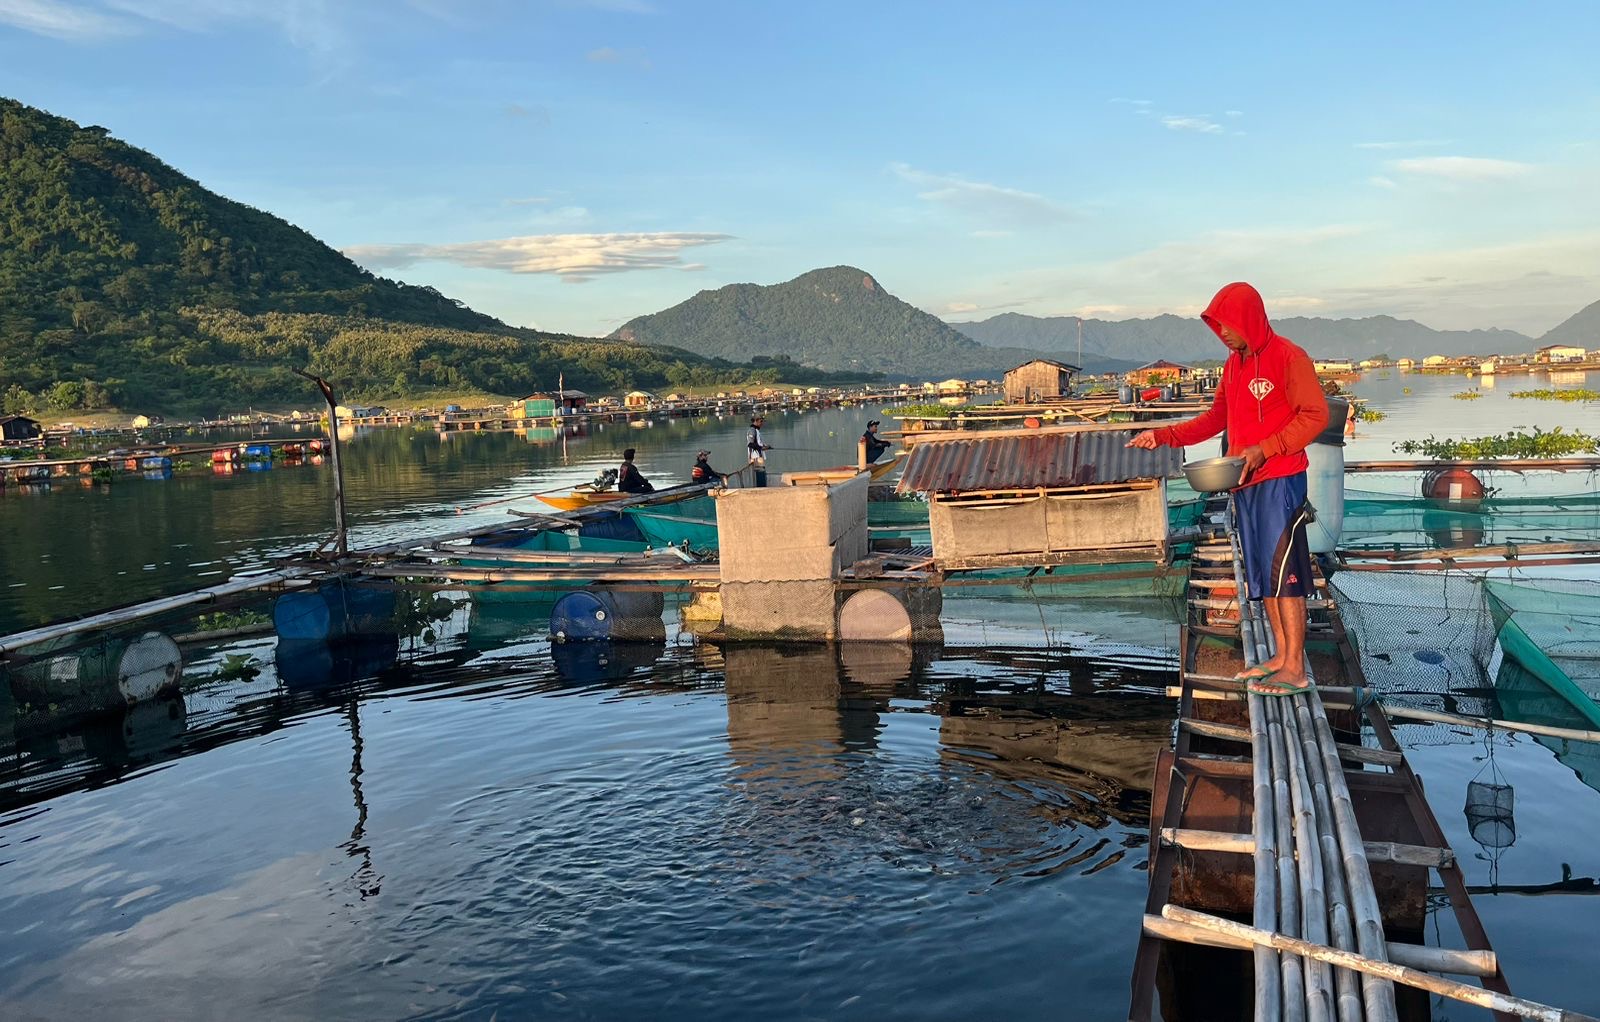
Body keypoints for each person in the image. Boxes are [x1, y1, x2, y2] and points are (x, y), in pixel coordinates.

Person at [1127, 281, 1328, 695]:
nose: (1222, 333)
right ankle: (1279, 654)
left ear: (1249, 320)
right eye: (1216, 326)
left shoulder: (1290, 358)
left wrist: (1267, 448)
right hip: (1245, 482)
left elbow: (1316, 415)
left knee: (1285, 574)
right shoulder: (1234, 364)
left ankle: (1295, 668)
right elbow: (1215, 418)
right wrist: (1163, 435)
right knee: (1263, 575)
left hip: (1281, 480)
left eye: (1227, 325)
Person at [746, 414, 771, 486]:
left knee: (762, 472)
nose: (762, 423)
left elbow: (758, 443)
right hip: (755, 458)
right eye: (761, 421)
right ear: (756, 421)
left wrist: (765, 446)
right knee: (759, 474)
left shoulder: (756, 430)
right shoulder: (752, 430)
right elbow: (750, 444)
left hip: (759, 457)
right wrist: (762, 448)